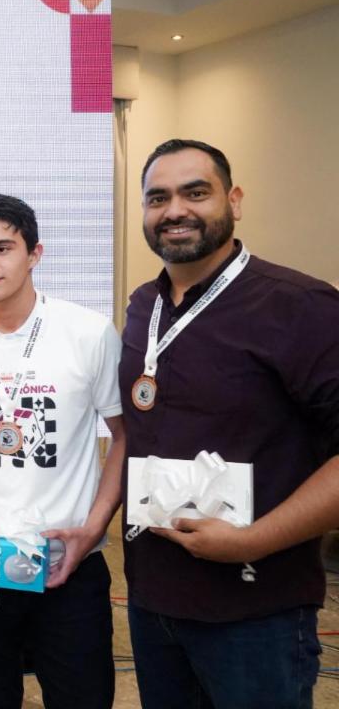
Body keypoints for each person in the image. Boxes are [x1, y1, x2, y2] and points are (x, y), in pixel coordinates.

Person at [121, 139, 339, 707]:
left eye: (196, 193)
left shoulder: (301, 306)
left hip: (255, 612)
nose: (175, 210)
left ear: (234, 201)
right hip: (153, 602)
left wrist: (252, 540)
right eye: (158, 198)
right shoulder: (143, 307)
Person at [0, 194, 124, 709]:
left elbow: (124, 436)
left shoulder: (89, 333)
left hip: (68, 562)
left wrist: (95, 526)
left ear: (35, 253)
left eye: (2, 248)